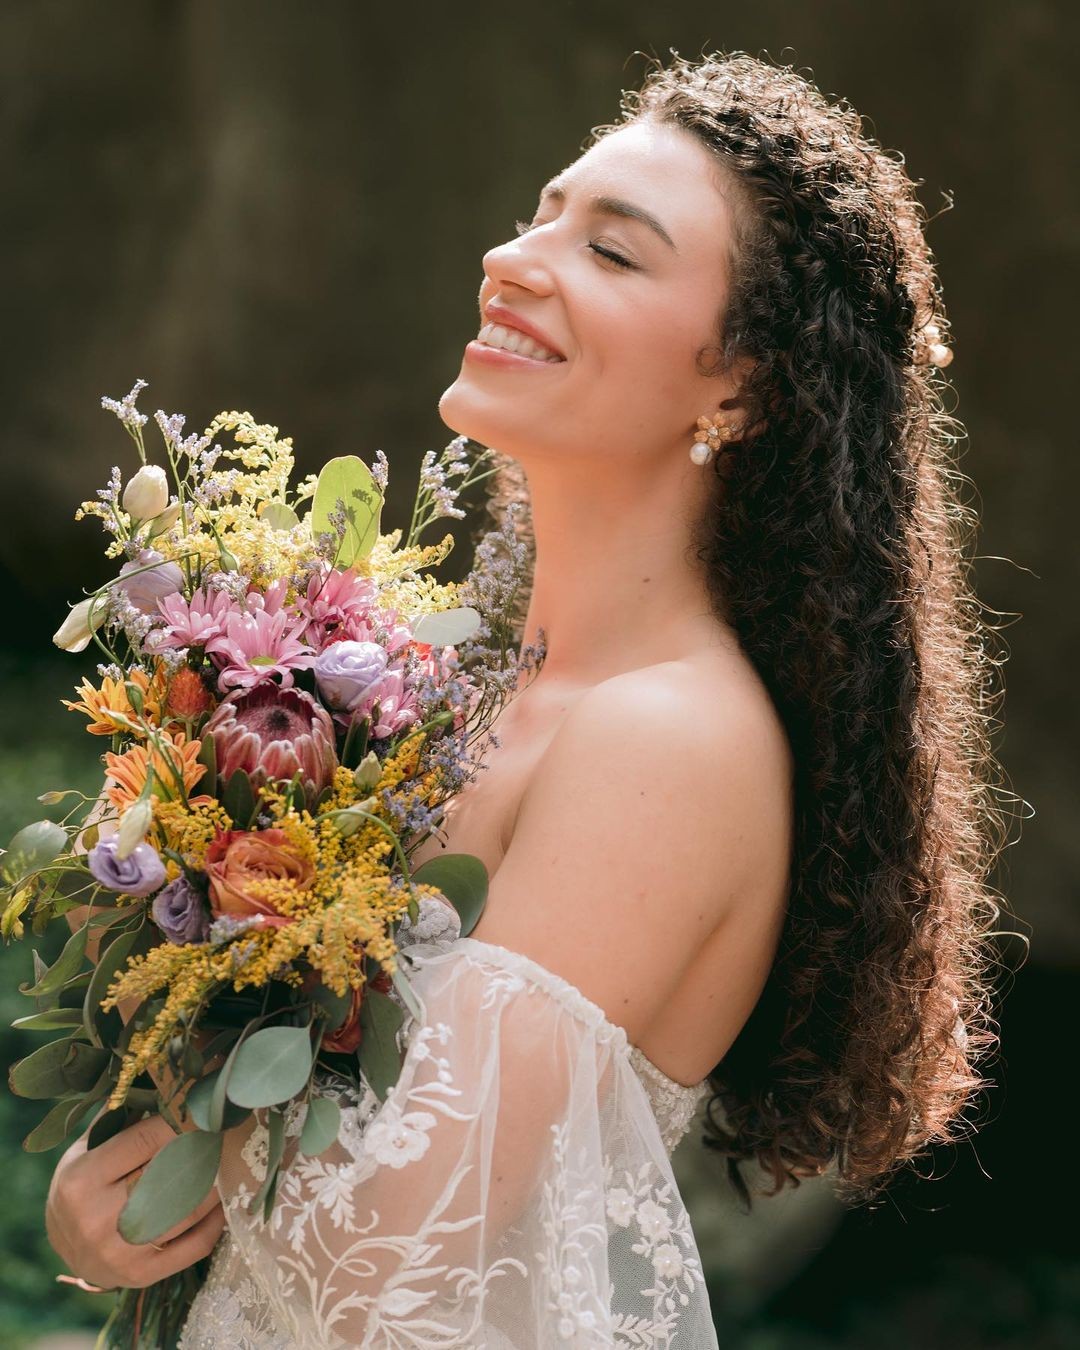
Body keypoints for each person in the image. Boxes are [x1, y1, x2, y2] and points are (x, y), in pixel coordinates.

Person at [45, 48, 1008, 1347]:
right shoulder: (447, 691)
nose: (518, 257)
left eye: (613, 251)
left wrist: (178, 1151)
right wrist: (120, 1178)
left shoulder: (670, 738)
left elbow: (388, 1244)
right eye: (542, 213)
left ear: (745, 383)